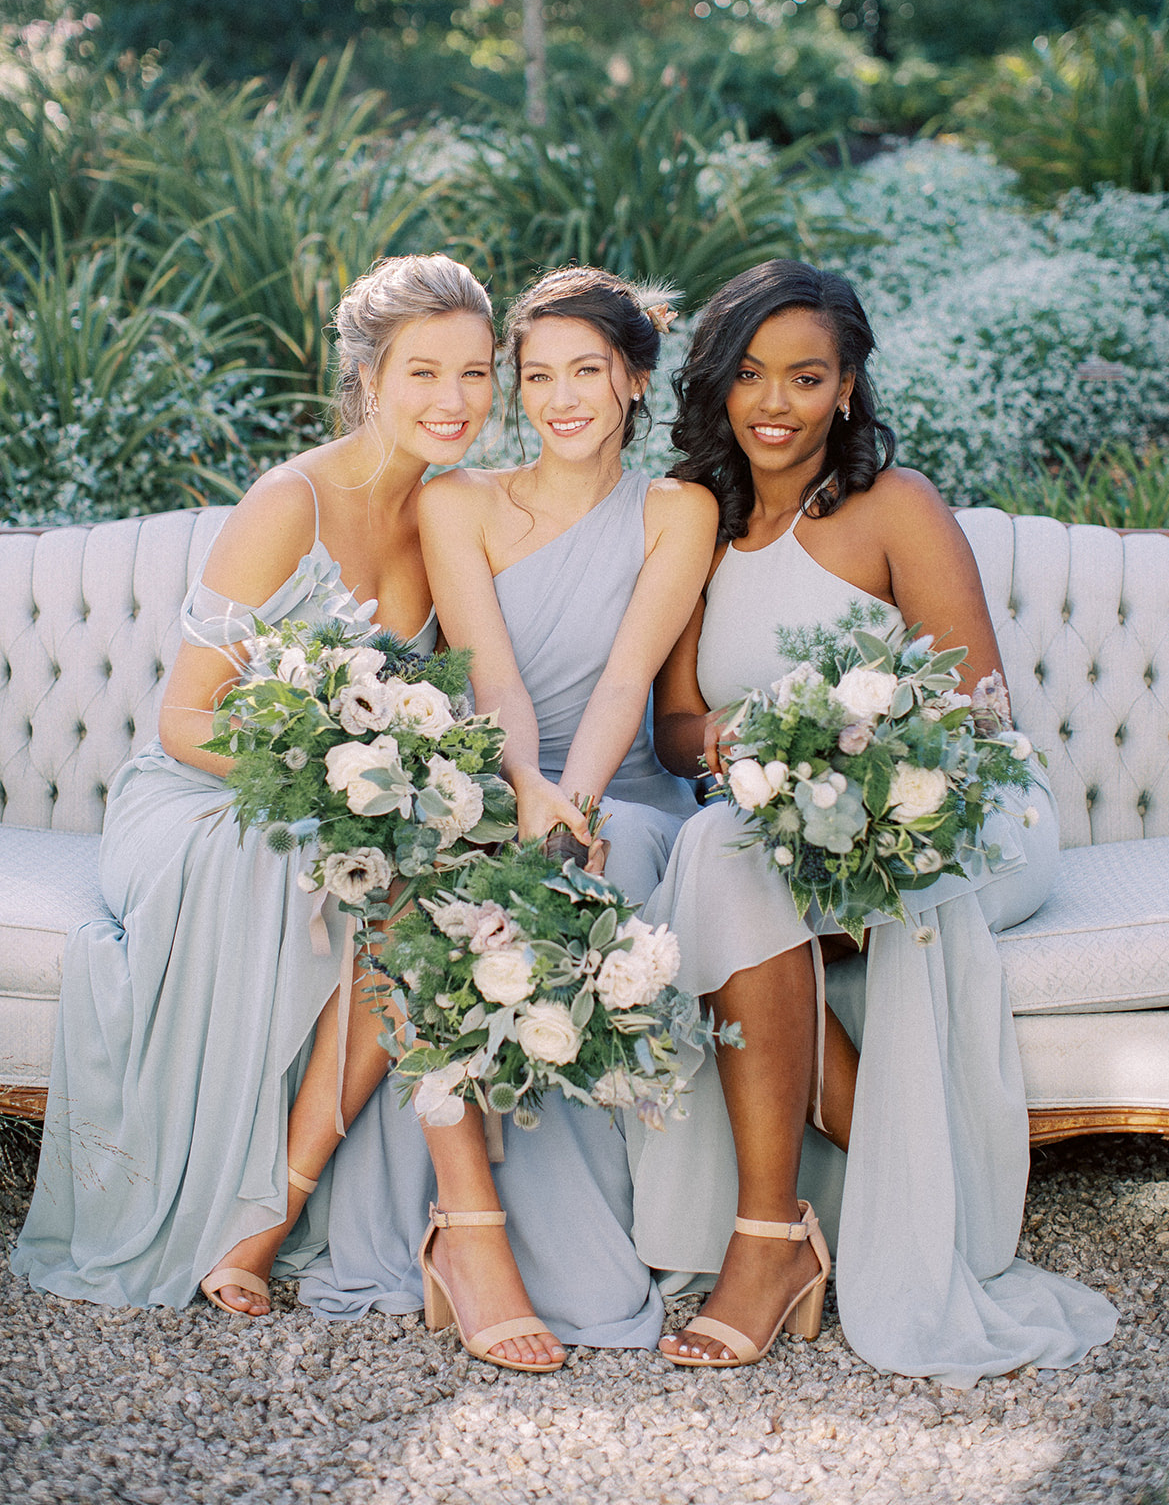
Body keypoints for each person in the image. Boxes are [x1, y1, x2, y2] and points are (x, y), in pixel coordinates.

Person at [630, 259, 1118, 1382]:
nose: (774, 403)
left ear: (847, 387)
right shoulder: (698, 528)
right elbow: (677, 729)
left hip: (951, 812)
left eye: (806, 377)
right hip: (782, 826)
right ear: (717, 384)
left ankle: (779, 1243)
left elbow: (975, 711)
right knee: (715, 842)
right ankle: (820, 1212)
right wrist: (760, 747)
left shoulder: (894, 507)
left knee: (722, 856)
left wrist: (851, 759)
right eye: (749, 374)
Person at [12, 254, 496, 1318]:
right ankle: (245, 1208)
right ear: (369, 377)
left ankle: (280, 1202)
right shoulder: (292, 500)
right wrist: (325, 780)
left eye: (476, 372)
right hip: (202, 797)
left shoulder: (457, 513)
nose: (454, 401)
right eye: (424, 372)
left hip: (338, 797)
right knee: (324, 857)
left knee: (413, 873)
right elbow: (183, 720)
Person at [298, 267, 718, 1370]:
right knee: (452, 869)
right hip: (503, 769)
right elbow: (495, 685)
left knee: (607, 861)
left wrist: (574, 811)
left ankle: (582, 1233)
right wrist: (527, 799)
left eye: (588, 371)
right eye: (536, 376)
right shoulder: (459, 500)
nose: (562, 397)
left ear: (634, 378)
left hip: (621, 788)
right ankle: (471, 1234)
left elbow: (629, 682)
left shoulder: (680, 510)